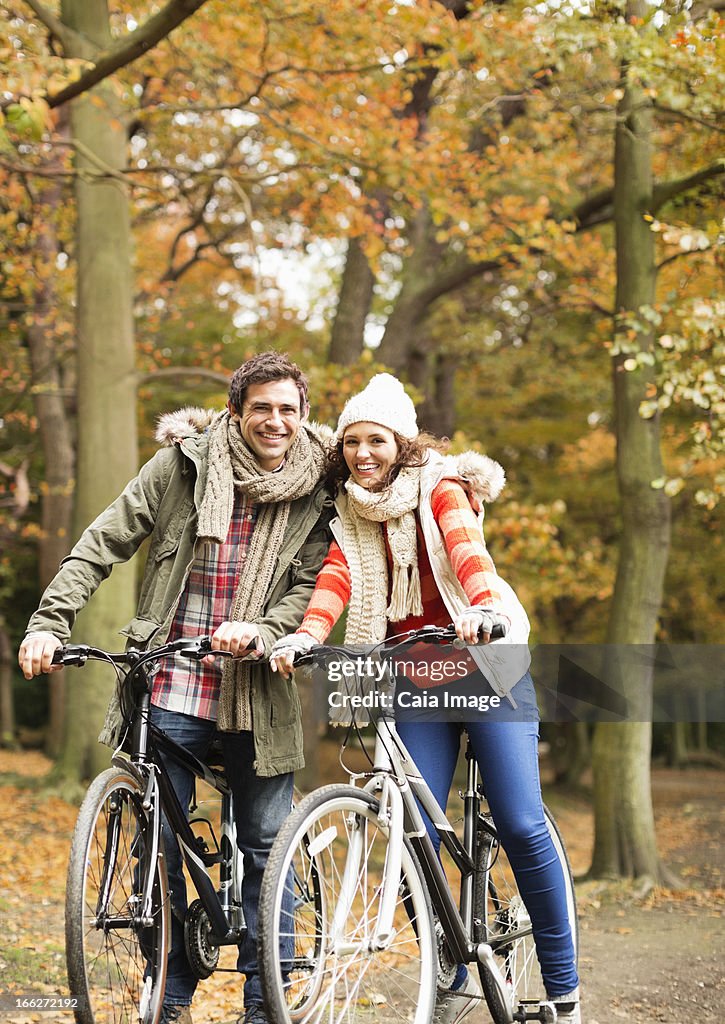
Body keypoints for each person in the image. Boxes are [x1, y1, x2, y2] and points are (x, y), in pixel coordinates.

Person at [18, 351, 333, 1024]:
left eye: (287, 409)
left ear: (302, 416)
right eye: (261, 409)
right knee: (157, 850)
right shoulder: (183, 467)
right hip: (170, 681)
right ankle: (169, 996)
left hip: (259, 689)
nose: (274, 421)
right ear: (235, 413)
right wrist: (47, 623)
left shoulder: (319, 487)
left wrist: (264, 628)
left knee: (264, 849)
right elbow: (102, 542)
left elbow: (311, 584)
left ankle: (264, 1005)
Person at [270, 373, 581, 1024]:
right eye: (351, 442)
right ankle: (450, 970)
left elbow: (469, 555)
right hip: (412, 676)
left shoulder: (439, 488)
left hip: (483, 661)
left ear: (402, 443)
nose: (362, 453)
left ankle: (563, 989)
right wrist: (304, 636)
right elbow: (334, 579)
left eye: (375, 440)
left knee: (521, 822)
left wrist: (483, 608)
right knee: (412, 827)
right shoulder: (350, 511)